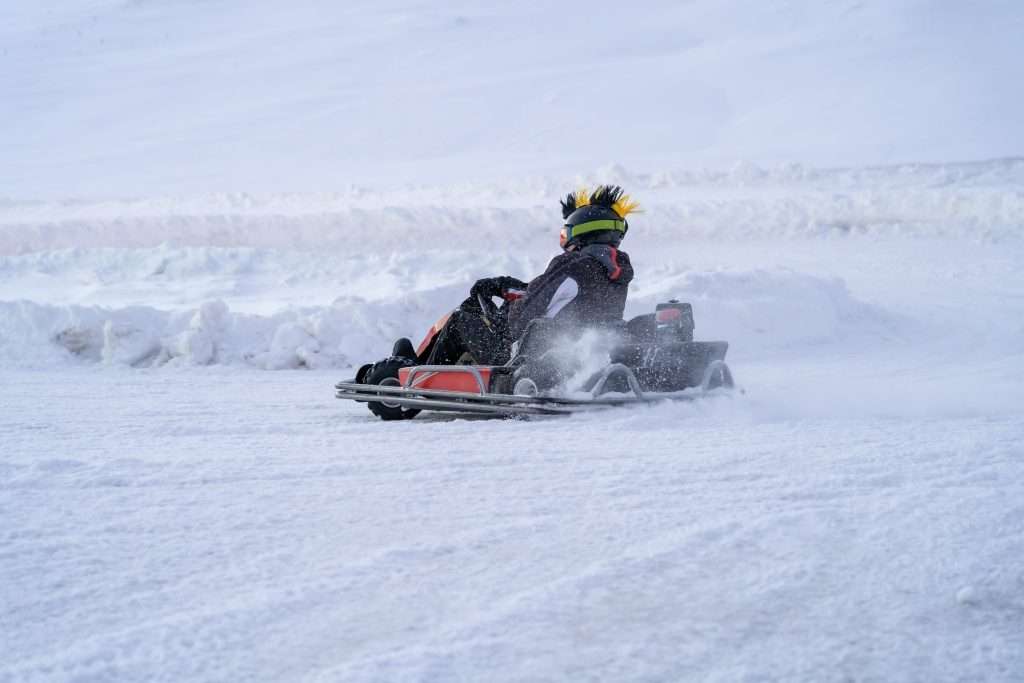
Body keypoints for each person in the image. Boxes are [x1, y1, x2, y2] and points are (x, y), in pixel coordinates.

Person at [398, 185, 638, 366]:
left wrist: (500, 317)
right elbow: (557, 298)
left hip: (525, 356)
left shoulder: (572, 264)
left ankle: (417, 377)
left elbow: (527, 313)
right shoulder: (612, 272)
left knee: (460, 321)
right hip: (565, 355)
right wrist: (506, 287)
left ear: (579, 232)